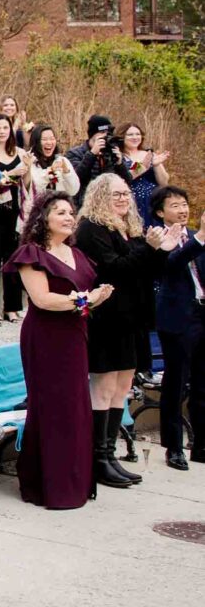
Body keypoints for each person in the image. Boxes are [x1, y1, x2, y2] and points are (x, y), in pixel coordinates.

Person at [5, 193, 113, 509]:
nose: (68, 217)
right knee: (52, 407)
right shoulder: (32, 253)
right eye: (60, 212)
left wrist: (95, 300)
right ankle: (47, 486)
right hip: (45, 337)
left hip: (75, 335)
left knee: (75, 406)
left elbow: (84, 297)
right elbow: (42, 299)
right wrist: (86, 300)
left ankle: (73, 482)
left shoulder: (77, 254)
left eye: (71, 212)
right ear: (44, 219)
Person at [73, 173, 166, 489]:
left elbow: (146, 270)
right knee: (104, 384)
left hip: (132, 317)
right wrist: (148, 250)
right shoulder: (90, 229)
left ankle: (110, 453)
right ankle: (98, 458)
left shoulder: (128, 229)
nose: (124, 199)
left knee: (123, 384)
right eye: (116, 194)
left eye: (126, 193)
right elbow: (114, 269)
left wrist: (159, 250)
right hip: (107, 318)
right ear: (99, 195)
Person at [149, 186, 205, 470]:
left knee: (202, 383)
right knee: (176, 382)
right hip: (177, 318)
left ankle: (201, 444)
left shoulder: (196, 234)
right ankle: (174, 447)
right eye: (175, 205)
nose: (182, 210)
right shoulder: (157, 238)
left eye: (184, 204)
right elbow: (170, 265)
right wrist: (201, 239)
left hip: (201, 313)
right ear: (161, 212)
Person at [0, 114, 29, 323]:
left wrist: (24, 171)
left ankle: (12, 306)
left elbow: (27, 183)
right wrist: (12, 172)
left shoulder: (19, 152)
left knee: (13, 258)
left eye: (5, 127)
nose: (2, 131)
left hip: (15, 209)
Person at [22, 123, 80, 223]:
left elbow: (73, 190)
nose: (49, 142)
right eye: (44, 139)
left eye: (52, 138)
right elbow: (33, 188)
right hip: (35, 218)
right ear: (36, 142)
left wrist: (66, 172)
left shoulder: (62, 160)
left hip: (59, 218)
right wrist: (50, 171)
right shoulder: (29, 161)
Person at [116, 123, 170, 226]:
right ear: (122, 137)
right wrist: (143, 165)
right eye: (130, 135)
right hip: (129, 200)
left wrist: (156, 165)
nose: (135, 137)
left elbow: (164, 182)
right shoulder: (118, 157)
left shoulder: (148, 154)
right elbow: (127, 176)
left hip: (151, 200)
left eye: (138, 134)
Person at [67, 115, 125, 203]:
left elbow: (126, 182)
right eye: (102, 132)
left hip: (109, 203)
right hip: (84, 203)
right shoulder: (75, 153)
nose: (105, 136)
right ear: (92, 135)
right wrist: (92, 154)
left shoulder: (111, 152)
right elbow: (76, 179)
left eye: (108, 133)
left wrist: (119, 164)